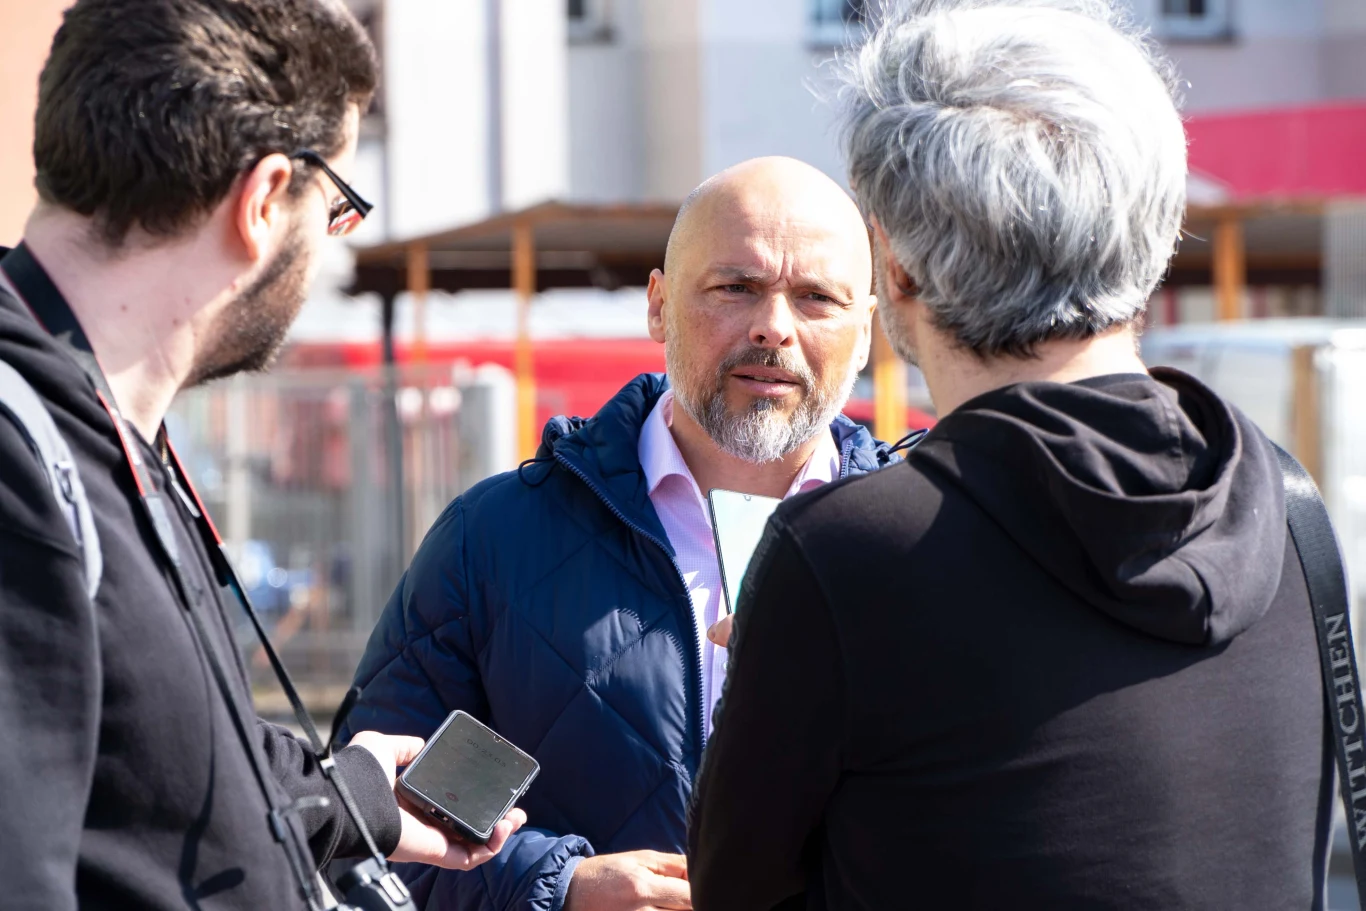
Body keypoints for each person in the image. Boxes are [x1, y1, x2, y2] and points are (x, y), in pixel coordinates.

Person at [688, 2, 1332, 909]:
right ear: (1150, 233)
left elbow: (738, 888)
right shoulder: (1286, 503)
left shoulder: (849, 555)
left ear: (898, 268)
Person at [0, 2, 523, 908]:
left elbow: (147, 780)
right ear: (264, 200)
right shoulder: (23, 462)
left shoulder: (104, 431)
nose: (328, 247)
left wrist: (357, 796)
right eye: (338, 210)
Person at [339, 156, 899, 910]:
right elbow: (373, 817)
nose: (773, 325)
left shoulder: (924, 549)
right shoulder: (497, 541)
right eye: (735, 287)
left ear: (865, 331)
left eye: (816, 297)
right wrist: (558, 887)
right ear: (659, 306)